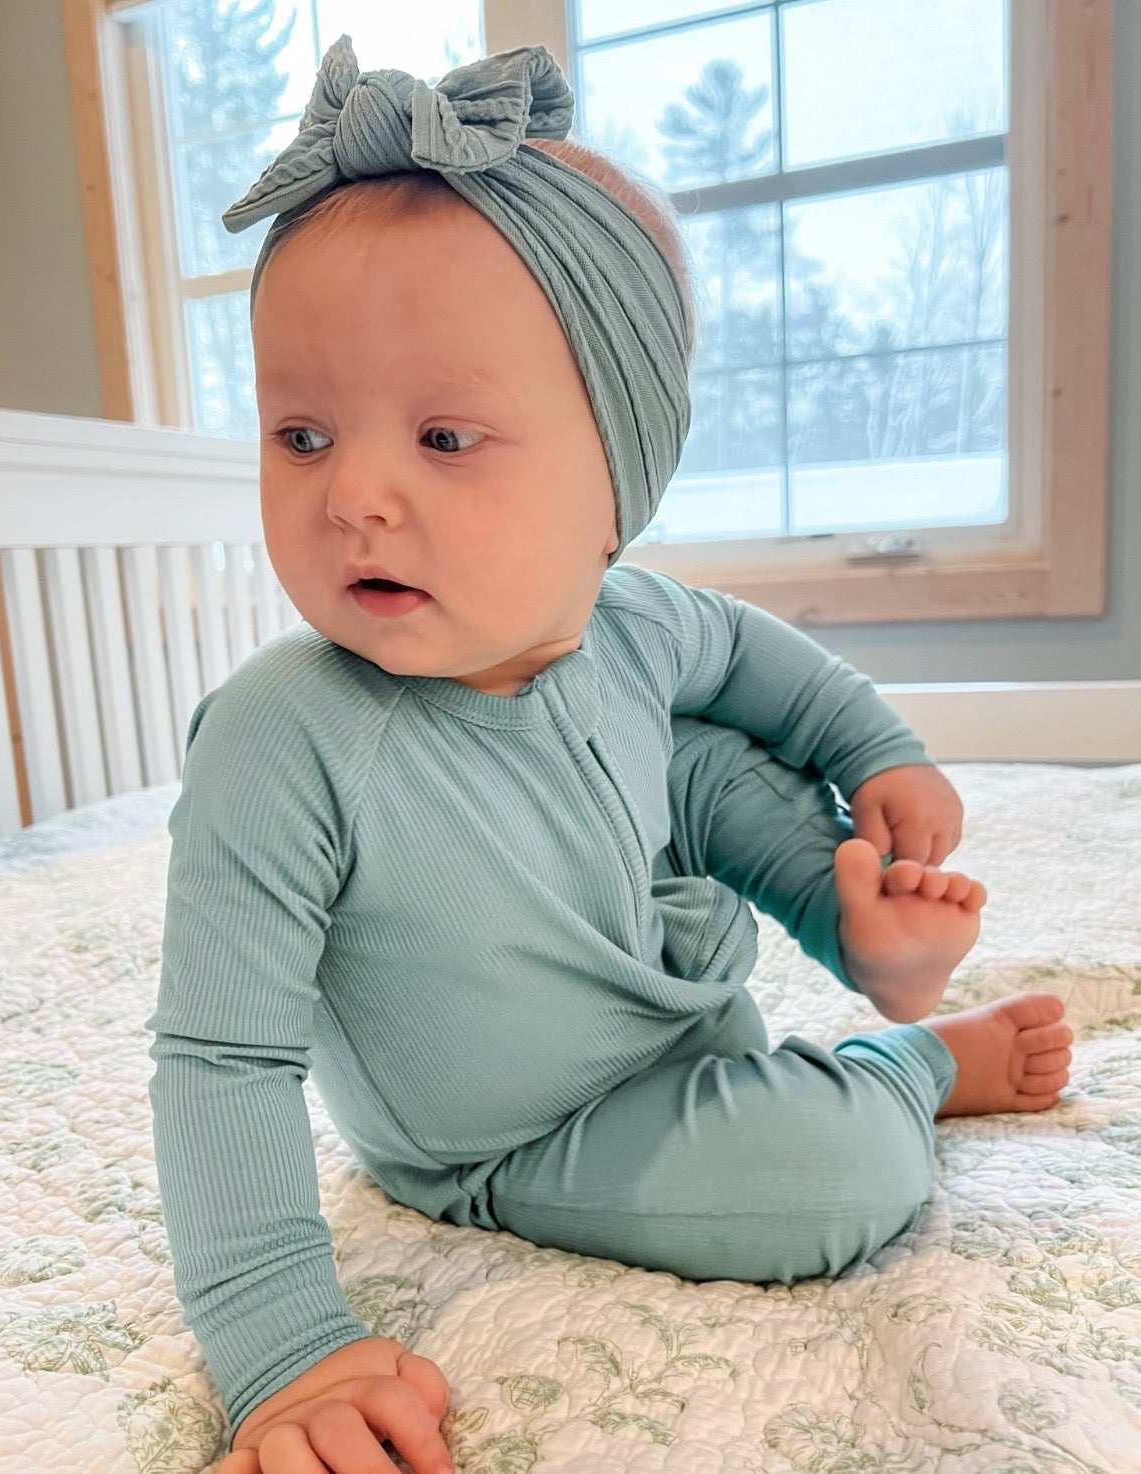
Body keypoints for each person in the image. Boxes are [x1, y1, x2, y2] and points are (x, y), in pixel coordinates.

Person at [145, 38, 1074, 1474]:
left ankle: (863, 941)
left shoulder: (639, 621)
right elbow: (221, 1057)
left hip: (677, 1002)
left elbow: (780, 671)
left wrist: (878, 755)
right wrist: (284, 1342)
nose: (356, 496)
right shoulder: (282, 737)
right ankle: (899, 1065)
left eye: (445, 434)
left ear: (616, 488)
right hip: (518, 1136)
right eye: (302, 432)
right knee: (833, 1174)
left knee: (719, 761)